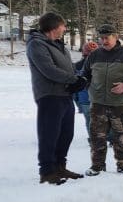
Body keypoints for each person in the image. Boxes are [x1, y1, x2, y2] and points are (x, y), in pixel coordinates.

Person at [27, 12, 87, 185]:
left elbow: (69, 69)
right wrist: (74, 80)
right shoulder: (37, 44)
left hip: (65, 95)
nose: (65, 29)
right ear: (54, 27)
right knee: (49, 134)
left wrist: (84, 62)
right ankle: (47, 171)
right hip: (50, 96)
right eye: (63, 26)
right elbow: (49, 70)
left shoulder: (59, 45)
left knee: (66, 134)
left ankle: (60, 166)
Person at [82, 24, 123, 175]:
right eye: (102, 38)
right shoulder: (94, 55)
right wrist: (89, 86)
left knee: (119, 134)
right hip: (98, 103)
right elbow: (85, 74)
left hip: (119, 103)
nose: (104, 41)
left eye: (107, 38)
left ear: (115, 37)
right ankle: (97, 165)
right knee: (97, 135)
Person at [73, 41, 99, 141]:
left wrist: (77, 100)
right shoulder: (102, 65)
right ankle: (109, 138)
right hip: (99, 97)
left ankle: (93, 139)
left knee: (89, 119)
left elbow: (74, 85)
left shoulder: (77, 66)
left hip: (84, 97)